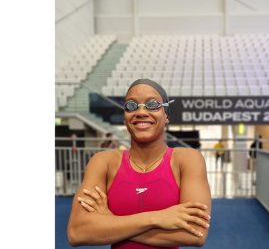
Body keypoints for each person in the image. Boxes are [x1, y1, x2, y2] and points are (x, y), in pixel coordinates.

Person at [67, 79, 211, 248]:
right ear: (124, 117)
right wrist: (157, 218)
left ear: (166, 116)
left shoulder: (187, 160)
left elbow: (195, 233)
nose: (141, 111)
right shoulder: (102, 162)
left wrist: (111, 221)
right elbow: (77, 232)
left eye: (152, 105)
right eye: (131, 106)